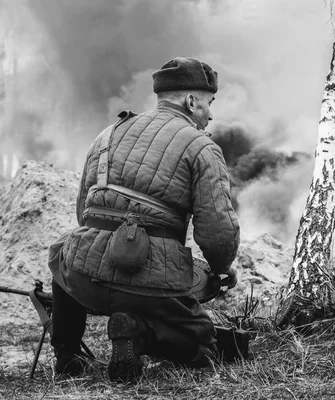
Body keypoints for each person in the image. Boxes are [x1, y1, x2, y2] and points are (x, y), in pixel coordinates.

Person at [48, 57, 240, 383]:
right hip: (150, 286)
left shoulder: (108, 134)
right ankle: (138, 333)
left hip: (85, 279)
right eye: (210, 103)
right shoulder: (203, 148)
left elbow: (84, 213)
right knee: (203, 342)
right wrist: (221, 268)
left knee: (61, 253)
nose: (211, 113)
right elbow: (217, 234)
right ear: (191, 101)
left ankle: (67, 355)